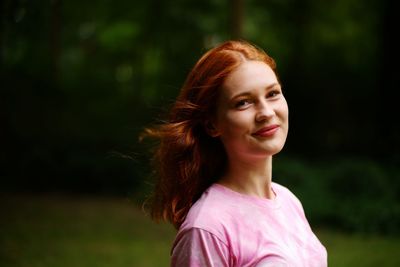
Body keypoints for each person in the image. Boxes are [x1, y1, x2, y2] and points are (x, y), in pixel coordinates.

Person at [143, 40, 327, 266]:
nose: (266, 113)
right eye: (243, 103)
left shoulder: (288, 201)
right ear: (212, 124)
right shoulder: (208, 228)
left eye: (272, 94)